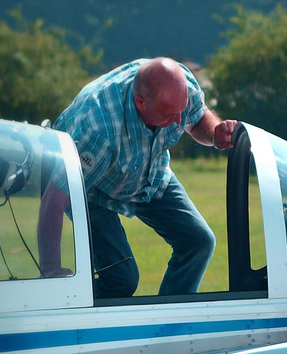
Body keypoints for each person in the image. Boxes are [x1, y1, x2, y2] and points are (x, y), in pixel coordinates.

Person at [38, 57, 238, 299]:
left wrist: (215, 134)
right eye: (169, 114)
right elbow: (55, 198)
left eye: (181, 110)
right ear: (140, 102)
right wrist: (51, 270)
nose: (178, 120)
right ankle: (72, 316)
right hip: (91, 189)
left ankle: (172, 325)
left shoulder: (181, 86)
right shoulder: (97, 129)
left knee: (199, 242)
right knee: (121, 279)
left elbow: (197, 120)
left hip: (150, 171)